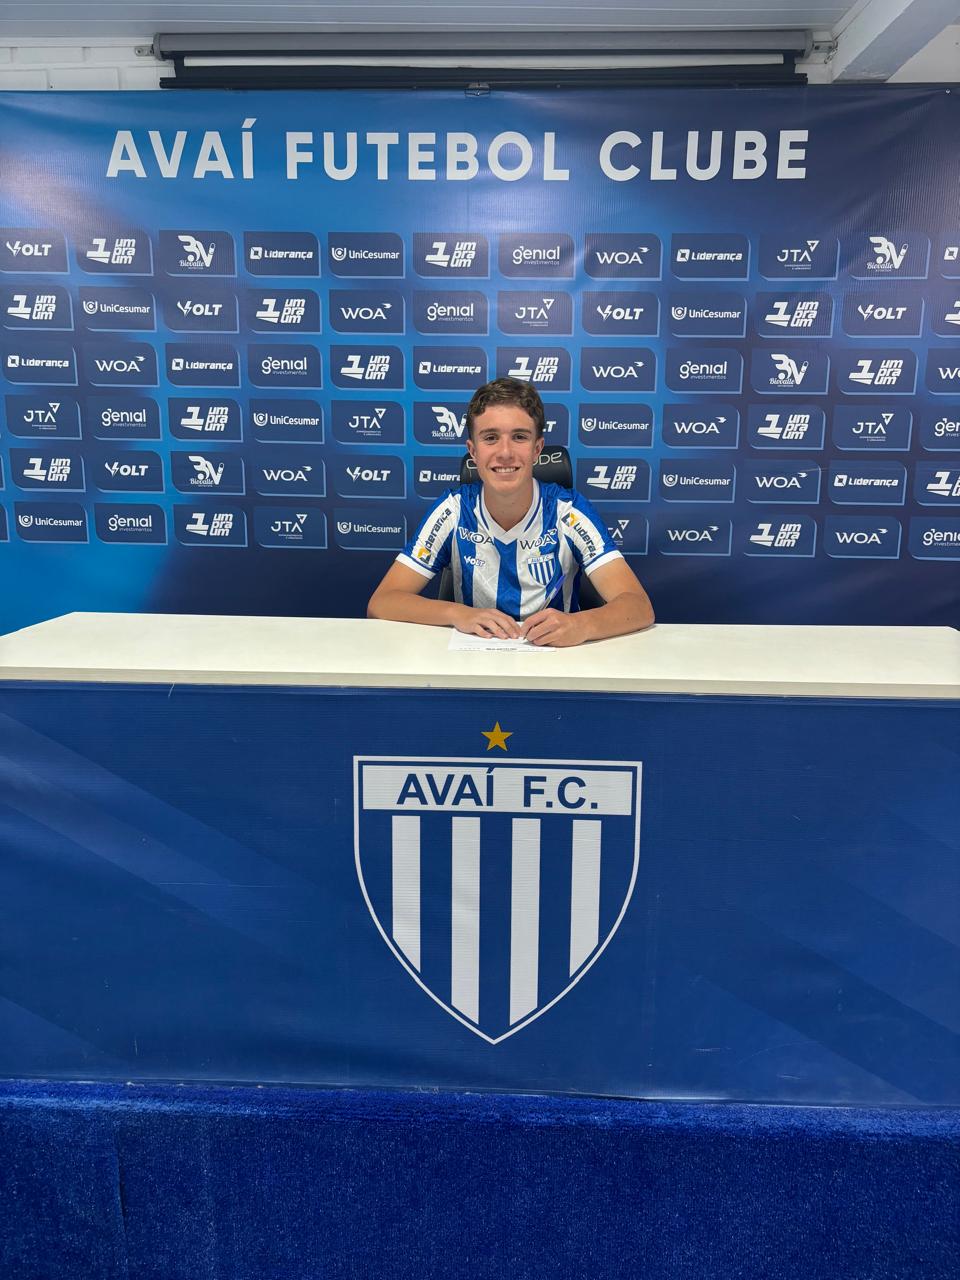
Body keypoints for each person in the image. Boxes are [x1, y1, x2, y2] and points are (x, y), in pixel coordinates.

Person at [367, 377, 654, 646]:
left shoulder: (568, 511)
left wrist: (582, 625)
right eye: (491, 438)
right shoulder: (453, 509)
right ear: (473, 451)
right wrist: (458, 614)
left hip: (556, 661)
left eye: (519, 437)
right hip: (475, 665)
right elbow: (382, 602)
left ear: (537, 449)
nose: (505, 453)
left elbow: (639, 606)